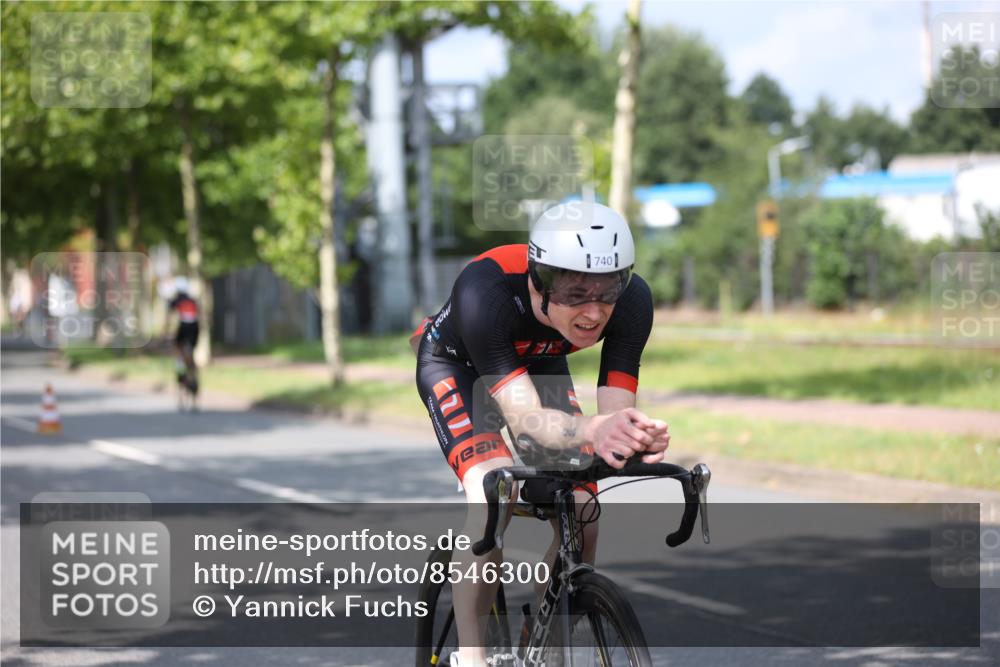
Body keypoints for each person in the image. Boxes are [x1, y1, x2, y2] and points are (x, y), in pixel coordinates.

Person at [413, 201, 670, 666]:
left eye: (608, 290)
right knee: (493, 493)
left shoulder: (633, 302)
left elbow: (611, 416)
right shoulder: (486, 290)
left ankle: (545, 641)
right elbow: (529, 420)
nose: (594, 311)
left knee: (583, 505)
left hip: (534, 365)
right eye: (575, 292)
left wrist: (627, 436)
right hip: (458, 367)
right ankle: (472, 655)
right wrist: (592, 429)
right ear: (539, 279)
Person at [168, 277, 200, 397]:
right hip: (195, 328)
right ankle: (194, 372)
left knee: (179, 349)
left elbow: (170, 318)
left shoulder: (176, 301)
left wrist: (165, 332)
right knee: (191, 350)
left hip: (183, 327)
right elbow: (199, 314)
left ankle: (181, 368)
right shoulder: (193, 300)